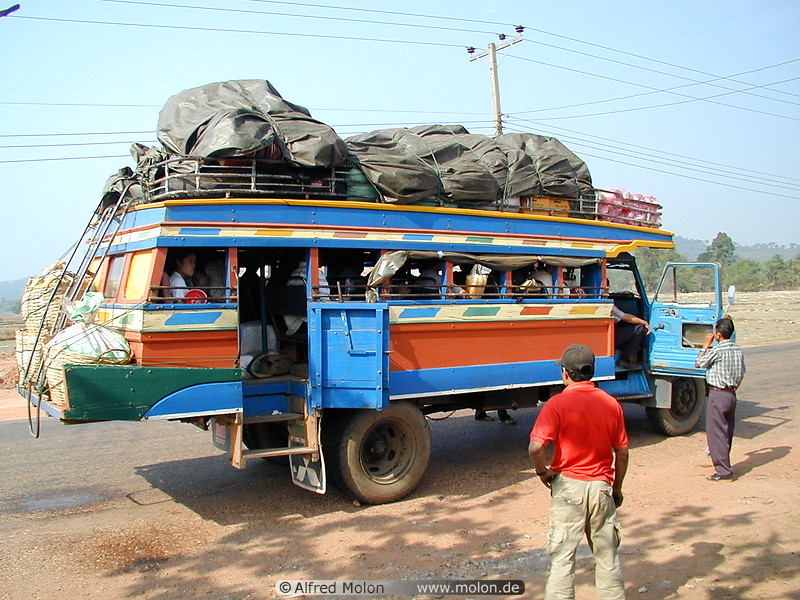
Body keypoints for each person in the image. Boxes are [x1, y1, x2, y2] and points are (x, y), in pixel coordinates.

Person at [529, 344, 628, 600]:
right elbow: (623, 452)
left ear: (565, 373)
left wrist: (542, 472)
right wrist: (616, 488)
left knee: (563, 559)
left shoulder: (557, 404)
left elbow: (536, 447)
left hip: (569, 488)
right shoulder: (611, 404)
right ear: (591, 371)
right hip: (601, 488)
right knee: (607, 558)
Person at [695, 317, 746, 481]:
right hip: (731, 394)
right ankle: (725, 464)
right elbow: (742, 372)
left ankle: (723, 471)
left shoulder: (717, 350)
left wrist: (705, 346)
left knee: (716, 433)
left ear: (718, 334)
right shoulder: (737, 349)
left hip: (717, 394)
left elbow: (699, 363)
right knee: (727, 431)